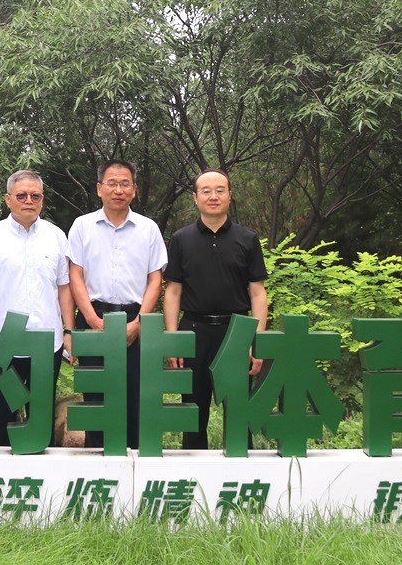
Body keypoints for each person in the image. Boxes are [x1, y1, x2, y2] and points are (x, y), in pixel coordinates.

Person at [0, 169, 75, 447]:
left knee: (42, 413)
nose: (29, 201)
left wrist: (69, 330)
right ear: (8, 199)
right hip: (2, 343)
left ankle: (42, 469)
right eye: (22, 195)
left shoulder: (56, 236)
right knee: (1, 412)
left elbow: (64, 287)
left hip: (47, 342)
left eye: (35, 196)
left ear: (42, 199)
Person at [162, 168, 268, 450]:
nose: (213, 196)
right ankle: (193, 470)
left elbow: (258, 293)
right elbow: (173, 291)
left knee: (238, 411)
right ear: (195, 197)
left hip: (236, 331)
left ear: (230, 196)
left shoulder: (247, 239)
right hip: (193, 331)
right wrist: (173, 339)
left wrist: (256, 339)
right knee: (192, 412)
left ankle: (241, 470)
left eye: (220, 190)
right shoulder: (181, 239)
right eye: (206, 191)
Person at [66, 159, 166, 450]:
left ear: (134, 189)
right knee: (95, 396)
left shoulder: (148, 229)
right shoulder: (82, 226)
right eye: (112, 183)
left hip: (136, 318)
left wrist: (139, 323)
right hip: (94, 315)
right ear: (99, 188)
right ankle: (97, 461)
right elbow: (75, 275)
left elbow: (155, 280)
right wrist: (92, 320)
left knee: (136, 394)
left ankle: (134, 460)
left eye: (125, 184)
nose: (118, 190)